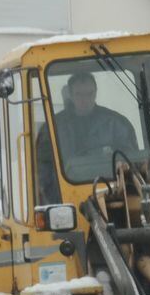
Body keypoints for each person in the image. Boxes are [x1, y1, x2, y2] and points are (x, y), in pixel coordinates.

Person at [36, 72, 138, 202]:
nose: (85, 100)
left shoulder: (116, 124)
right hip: (66, 197)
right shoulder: (52, 129)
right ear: (71, 95)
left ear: (96, 93)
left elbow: (131, 161)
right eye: (79, 94)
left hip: (111, 194)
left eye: (89, 94)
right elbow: (44, 173)